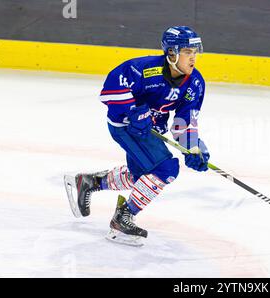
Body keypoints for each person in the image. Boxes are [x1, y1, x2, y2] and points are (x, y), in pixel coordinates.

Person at [69, 26, 210, 245]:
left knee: (142, 177)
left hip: (150, 130)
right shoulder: (144, 69)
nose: (193, 58)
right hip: (125, 127)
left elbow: (184, 120)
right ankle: (123, 217)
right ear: (171, 53)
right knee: (166, 169)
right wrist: (132, 111)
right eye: (187, 52)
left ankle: (89, 182)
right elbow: (110, 89)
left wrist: (192, 147)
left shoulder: (195, 83)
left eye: (195, 52)